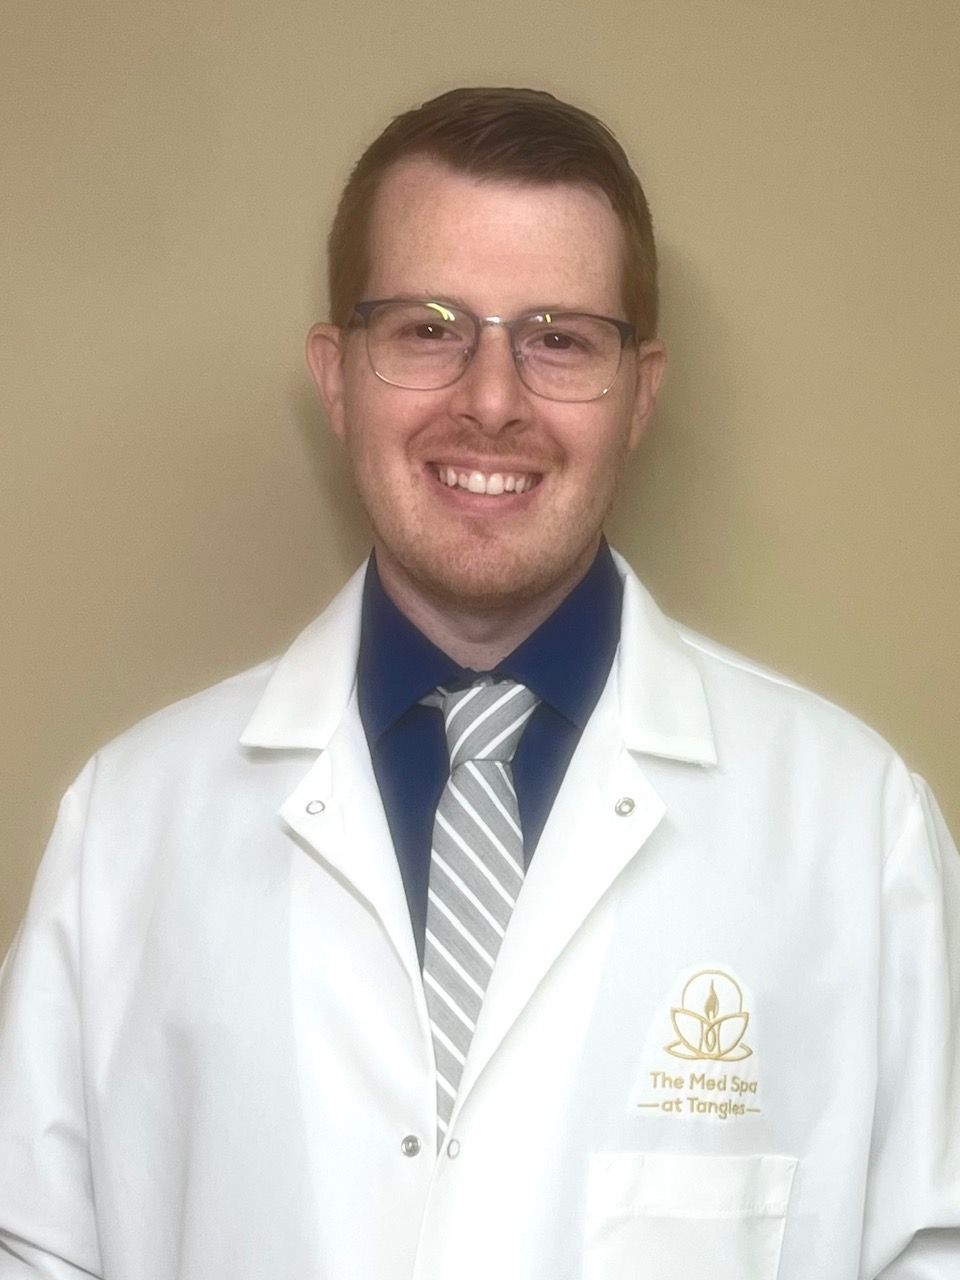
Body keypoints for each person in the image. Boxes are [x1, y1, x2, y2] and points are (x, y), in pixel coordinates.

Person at [0, 86, 957, 1280]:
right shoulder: (127, 826)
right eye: (427, 326)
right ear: (337, 373)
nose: (491, 400)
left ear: (641, 392)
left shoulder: (855, 831)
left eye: (559, 336)